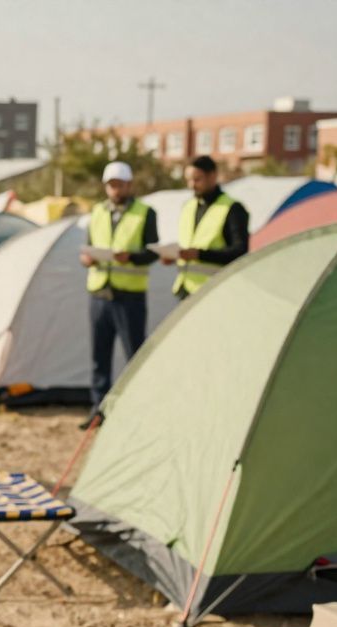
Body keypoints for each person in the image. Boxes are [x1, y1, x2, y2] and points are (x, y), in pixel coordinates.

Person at [78, 161, 159, 430]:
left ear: (129, 185)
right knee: (98, 356)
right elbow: (89, 246)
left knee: (134, 355)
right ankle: (98, 409)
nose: (116, 189)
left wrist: (131, 258)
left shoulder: (145, 213)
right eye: (111, 185)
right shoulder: (97, 212)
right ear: (106, 186)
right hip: (100, 293)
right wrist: (87, 259)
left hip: (129, 297)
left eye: (120, 184)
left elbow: (151, 252)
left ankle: (137, 411)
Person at [165, 155, 250, 299]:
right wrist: (174, 256)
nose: (191, 185)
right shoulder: (188, 206)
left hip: (214, 293)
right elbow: (190, 244)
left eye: (197, 179)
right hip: (185, 290)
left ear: (213, 176)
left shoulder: (233, 208)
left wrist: (200, 254)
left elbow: (239, 251)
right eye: (188, 180)